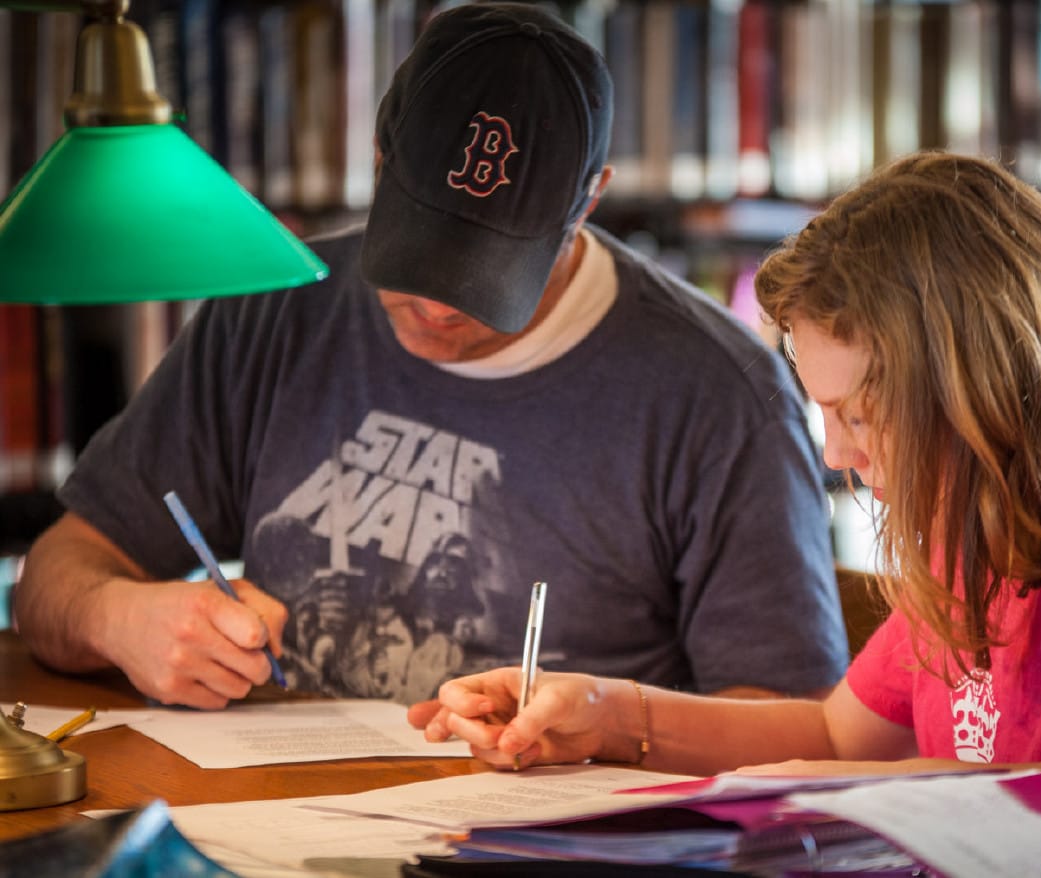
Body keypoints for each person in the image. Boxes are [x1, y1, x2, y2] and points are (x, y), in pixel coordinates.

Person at [415, 152, 1041, 861]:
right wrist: (603, 715)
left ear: (976, 381)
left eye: (858, 414)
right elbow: (836, 737)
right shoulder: (969, 523)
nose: (835, 454)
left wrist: (903, 788)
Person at [11, 3, 848, 710]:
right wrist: (119, 618)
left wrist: (608, 726)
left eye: (486, 273)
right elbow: (57, 571)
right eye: (420, 252)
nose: (440, 304)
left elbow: (793, 727)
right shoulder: (275, 308)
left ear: (588, 200)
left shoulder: (723, 399)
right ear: (380, 165)